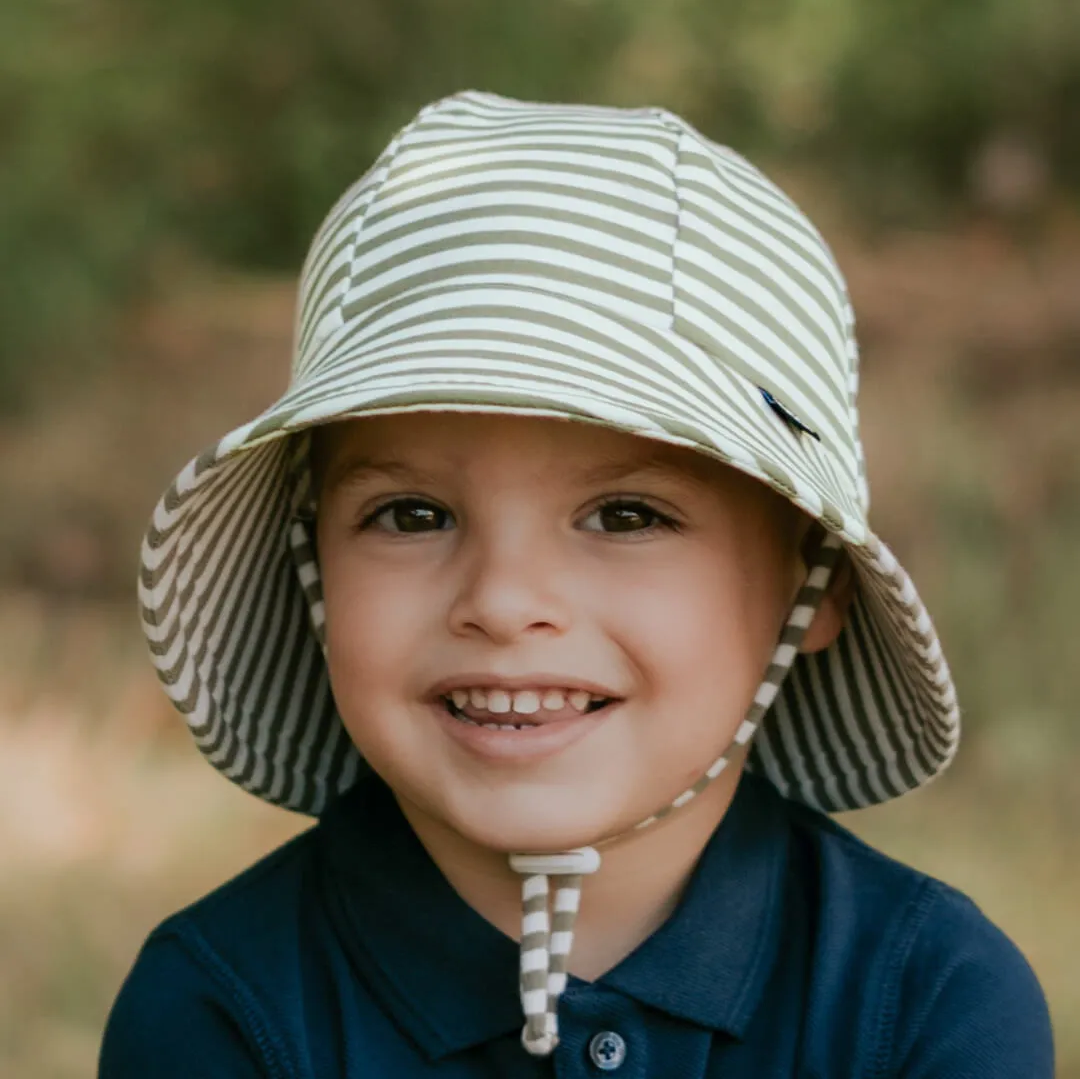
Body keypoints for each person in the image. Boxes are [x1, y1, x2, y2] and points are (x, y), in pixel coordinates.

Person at [99, 91, 1054, 1076]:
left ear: (814, 582)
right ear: (314, 564)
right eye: (412, 514)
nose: (505, 602)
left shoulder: (925, 1002)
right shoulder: (222, 1012)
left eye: (627, 516)